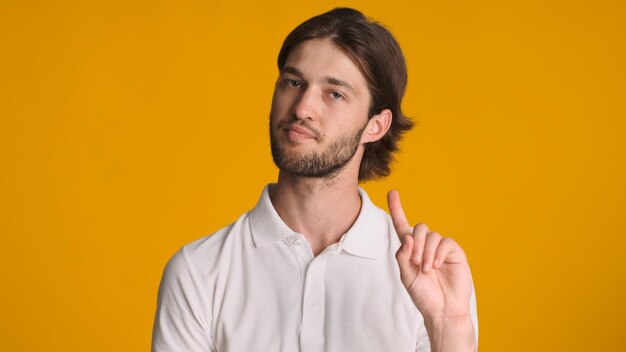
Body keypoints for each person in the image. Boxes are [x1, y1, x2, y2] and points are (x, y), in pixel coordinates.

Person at [152, 7, 478, 352]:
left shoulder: (431, 279)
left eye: (334, 93)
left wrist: (449, 329)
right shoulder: (198, 272)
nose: (302, 107)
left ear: (376, 125)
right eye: (293, 83)